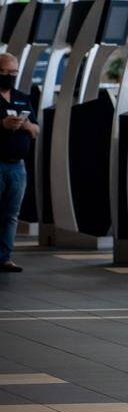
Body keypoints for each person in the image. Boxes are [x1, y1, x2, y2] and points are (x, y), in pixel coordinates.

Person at [0, 53, 38, 274]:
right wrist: (2, 124)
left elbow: (36, 129)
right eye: (4, 72)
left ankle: (4, 258)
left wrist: (26, 126)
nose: (8, 76)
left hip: (17, 166)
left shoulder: (22, 97)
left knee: (11, 214)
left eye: (13, 73)